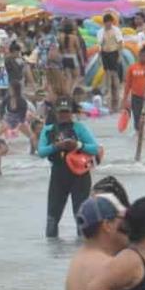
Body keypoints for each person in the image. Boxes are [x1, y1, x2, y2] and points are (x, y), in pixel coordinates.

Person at [38, 96, 99, 239]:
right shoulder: (48, 130)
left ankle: (83, 251)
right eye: (61, 112)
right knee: (52, 219)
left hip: (80, 176)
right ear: (55, 112)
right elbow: (41, 152)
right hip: (58, 175)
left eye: (66, 112)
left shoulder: (80, 128)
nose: (64, 115)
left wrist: (78, 145)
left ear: (71, 112)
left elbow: (95, 149)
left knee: (81, 218)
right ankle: (52, 254)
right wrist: (56, 146)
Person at [123, 46, 145, 135]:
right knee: (137, 117)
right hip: (136, 97)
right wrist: (125, 99)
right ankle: (138, 135)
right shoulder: (132, 68)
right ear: (139, 56)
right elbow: (128, 84)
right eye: (143, 56)